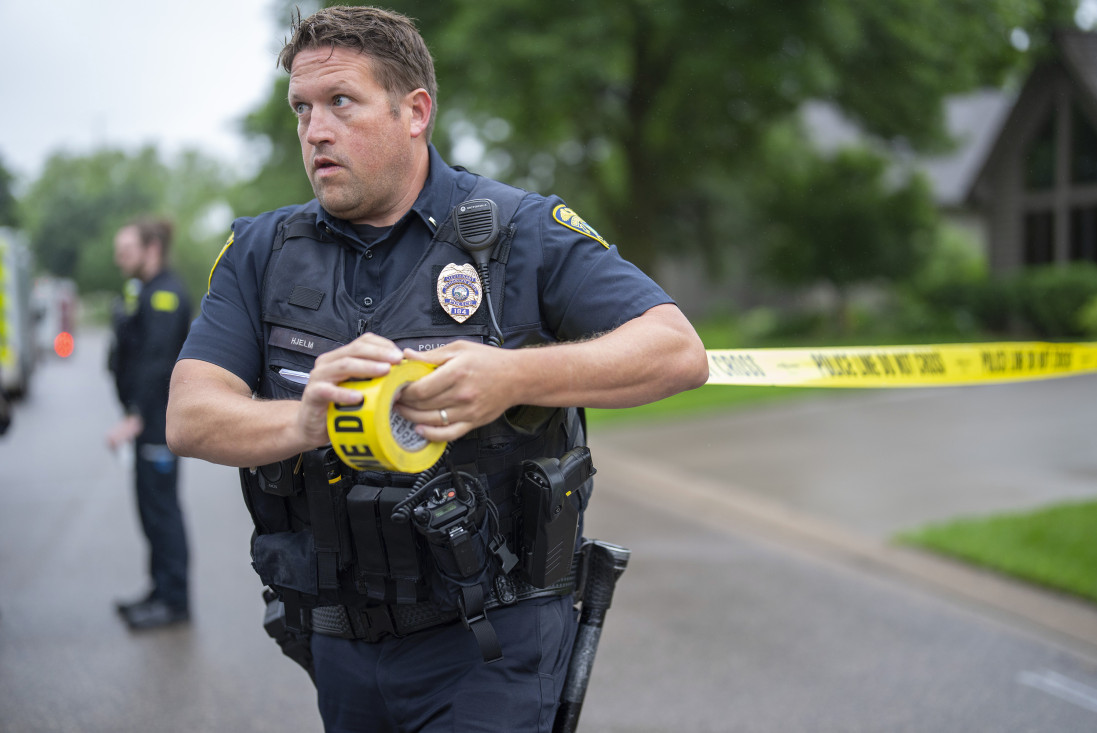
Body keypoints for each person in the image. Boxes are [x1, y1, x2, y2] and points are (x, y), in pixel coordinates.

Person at [166, 6, 708, 731]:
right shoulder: (262, 252)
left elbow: (677, 349)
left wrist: (512, 378)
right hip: (337, 638)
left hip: (493, 643)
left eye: (341, 103)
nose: (315, 130)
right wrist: (302, 419)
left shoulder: (520, 232)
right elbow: (190, 415)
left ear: (415, 111)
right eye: (302, 108)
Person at [107, 217, 193, 630]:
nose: (118, 258)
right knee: (149, 508)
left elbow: (158, 363)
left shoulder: (167, 296)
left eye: (126, 250)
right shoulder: (143, 291)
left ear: (151, 249)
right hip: (146, 421)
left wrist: (137, 416)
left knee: (162, 511)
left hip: (158, 422)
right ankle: (159, 589)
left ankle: (175, 602)